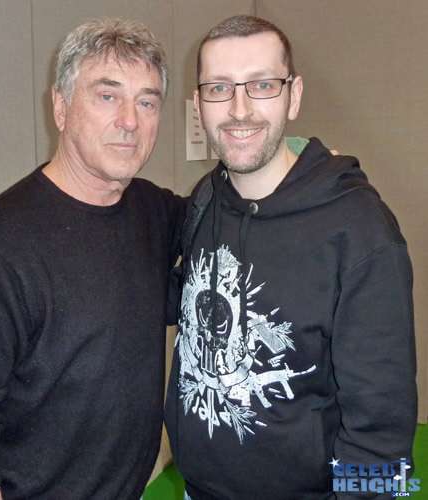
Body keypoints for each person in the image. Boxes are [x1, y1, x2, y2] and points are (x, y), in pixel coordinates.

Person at [0, 18, 184, 500]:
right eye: (107, 96)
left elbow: (224, 220)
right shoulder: (0, 248)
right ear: (60, 107)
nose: (130, 121)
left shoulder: (152, 210)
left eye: (147, 102)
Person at [165, 15, 417, 500]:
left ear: (293, 96)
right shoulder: (207, 199)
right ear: (198, 105)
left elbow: (383, 432)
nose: (239, 109)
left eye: (262, 85)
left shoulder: (360, 231)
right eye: (219, 88)